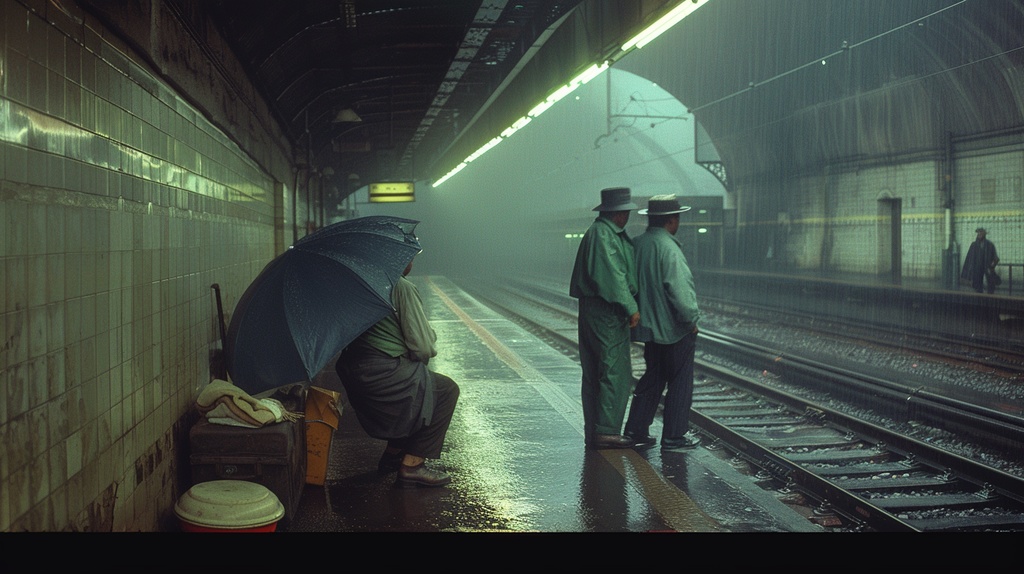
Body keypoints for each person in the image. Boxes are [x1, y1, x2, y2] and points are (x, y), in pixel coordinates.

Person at [335, 257, 460, 488]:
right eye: (410, 257)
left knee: (418, 389)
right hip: (381, 371)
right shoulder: (401, 287)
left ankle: (393, 455)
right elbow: (423, 347)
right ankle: (412, 465)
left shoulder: (361, 285)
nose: (412, 262)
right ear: (400, 259)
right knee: (442, 390)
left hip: (353, 370)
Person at [623, 195, 702, 452]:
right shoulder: (669, 249)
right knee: (680, 381)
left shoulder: (638, 245)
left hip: (649, 329)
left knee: (653, 378)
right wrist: (691, 320)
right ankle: (674, 437)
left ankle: (636, 430)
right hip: (673, 330)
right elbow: (679, 290)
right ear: (672, 220)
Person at [570, 187, 641, 449]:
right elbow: (613, 276)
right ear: (618, 213)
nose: (628, 216)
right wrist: (631, 307)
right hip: (607, 313)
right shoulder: (605, 236)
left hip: (595, 310)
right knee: (614, 371)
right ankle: (607, 430)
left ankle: (596, 429)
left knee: (595, 371)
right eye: (626, 212)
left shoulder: (601, 232)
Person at [961, 227, 1000, 294]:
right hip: (977, 271)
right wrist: (968, 275)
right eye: (978, 232)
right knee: (978, 290)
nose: (979, 234)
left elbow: (996, 258)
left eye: (981, 232)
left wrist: (991, 267)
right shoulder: (974, 245)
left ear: (984, 233)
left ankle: (989, 302)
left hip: (987, 270)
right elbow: (969, 260)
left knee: (990, 290)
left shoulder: (990, 245)